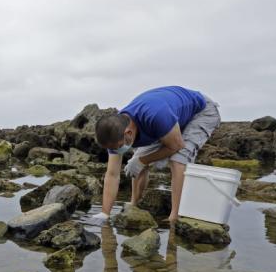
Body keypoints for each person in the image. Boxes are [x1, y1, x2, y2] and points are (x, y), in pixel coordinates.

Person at [90, 86, 220, 223]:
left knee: (177, 160)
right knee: (136, 161)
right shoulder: (114, 132)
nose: (117, 151)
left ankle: (174, 217)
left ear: (129, 134)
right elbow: (112, 174)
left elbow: (177, 145)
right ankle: (134, 205)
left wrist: (142, 161)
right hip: (168, 119)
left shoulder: (155, 115)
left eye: (118, 148)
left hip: (200, 111)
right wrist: (105, 213)